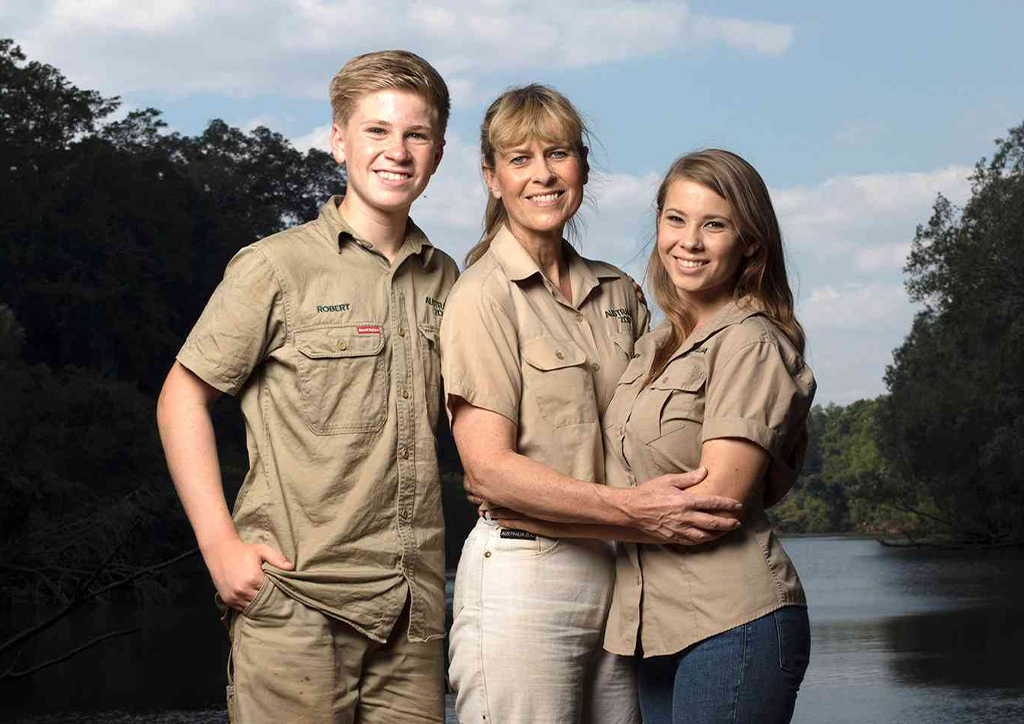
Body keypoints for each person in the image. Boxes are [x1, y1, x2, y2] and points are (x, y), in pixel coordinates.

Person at [155, 50, 457, 724]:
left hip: (413, 618)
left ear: (438, 152)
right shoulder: (275, 267)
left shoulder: (449, 280)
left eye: (416, 134)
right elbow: (181, 397)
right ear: (339, 139)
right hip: (295, 603)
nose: (397, 152)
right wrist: (218, 548)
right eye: (376, 131)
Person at [440, 86, 744, 724]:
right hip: (528, 574)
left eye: (558, 154)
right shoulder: (482, 296)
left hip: (628, 576)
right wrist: (634, 511)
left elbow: (658, 428)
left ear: (582, 166)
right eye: (519, 159)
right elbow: (487, 470)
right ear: (491, 178)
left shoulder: (619, 292)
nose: (542, 175)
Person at [496, 149, 815, 724]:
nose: (688, 241)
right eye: (675, 219)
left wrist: (538, 516)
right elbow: (630, 481)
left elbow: (712, 507)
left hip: (735, 623)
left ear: (749, 242)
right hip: (653, 634)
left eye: (713, 224)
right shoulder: (653, 346)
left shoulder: (750, 341)